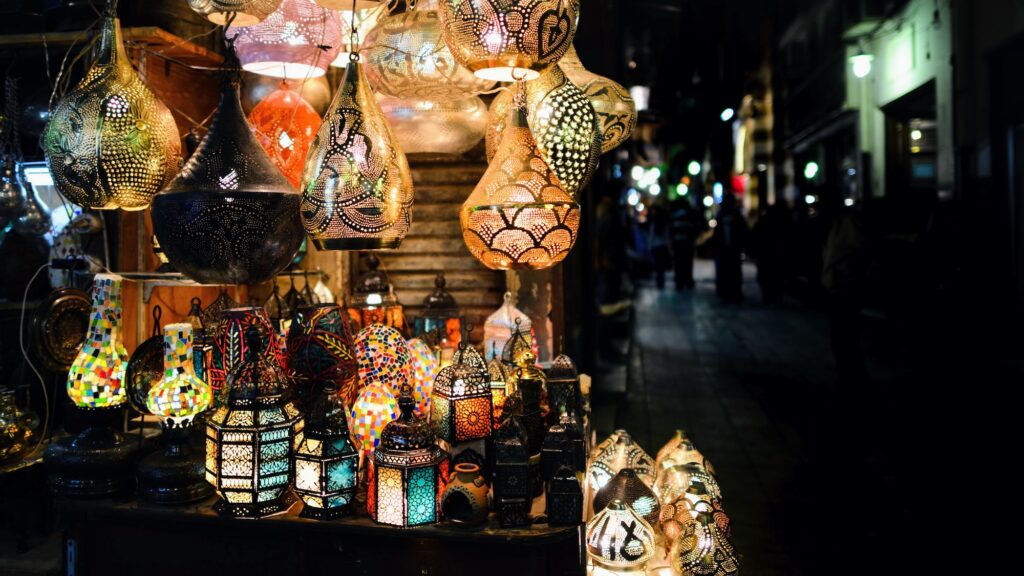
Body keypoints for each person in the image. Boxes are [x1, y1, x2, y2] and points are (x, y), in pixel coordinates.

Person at [750, 202, 792, 305]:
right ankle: (774, 297)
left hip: (768, 254)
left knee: (768, 276)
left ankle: (769, 296)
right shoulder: (781, 222)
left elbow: (755, 236)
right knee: (776, 277)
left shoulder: (765, 221)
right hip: (773, 254)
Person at [711, 193, 748, 302]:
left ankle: (732, 291)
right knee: (729, 270)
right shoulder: (725, 215)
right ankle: (728, 290)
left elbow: (742, 231)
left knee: (732, 270)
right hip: (726, 248)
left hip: (732, 247)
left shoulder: (733, 215)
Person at [669, 196, 706, 290]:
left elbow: (671, 231)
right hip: (687, 243)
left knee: (678, 263)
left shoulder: (674, 216)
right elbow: (696, 228)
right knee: (687, 262)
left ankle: (679, 281)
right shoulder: (690, 215)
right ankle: (688, 280)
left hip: (678, 243)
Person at [648, 204, 672, 289]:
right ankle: (661, 282)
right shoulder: (665, 223)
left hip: (656, 247)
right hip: (663, 247)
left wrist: (649, 247)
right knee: (661, 267)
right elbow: (667, 237)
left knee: (658, 266)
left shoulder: (654, 223)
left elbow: (651, 236)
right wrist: (670, 250)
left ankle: (659, 283)